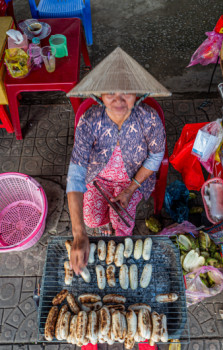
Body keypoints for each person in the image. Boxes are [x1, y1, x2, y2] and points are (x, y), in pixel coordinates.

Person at [66, 47, 171, 274]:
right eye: (110, 92)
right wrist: (79, 233)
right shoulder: (90, 120)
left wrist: (131, 189)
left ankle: (117, 227)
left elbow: (155, 156)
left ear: (138, 95)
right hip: (97, 180)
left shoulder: (149, 119)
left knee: (123, 225)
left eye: (127, 92)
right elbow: (76, 174)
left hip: (132, 181)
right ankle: (105, 225)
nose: (118, 100)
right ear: (100, 96)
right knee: (92, 219)